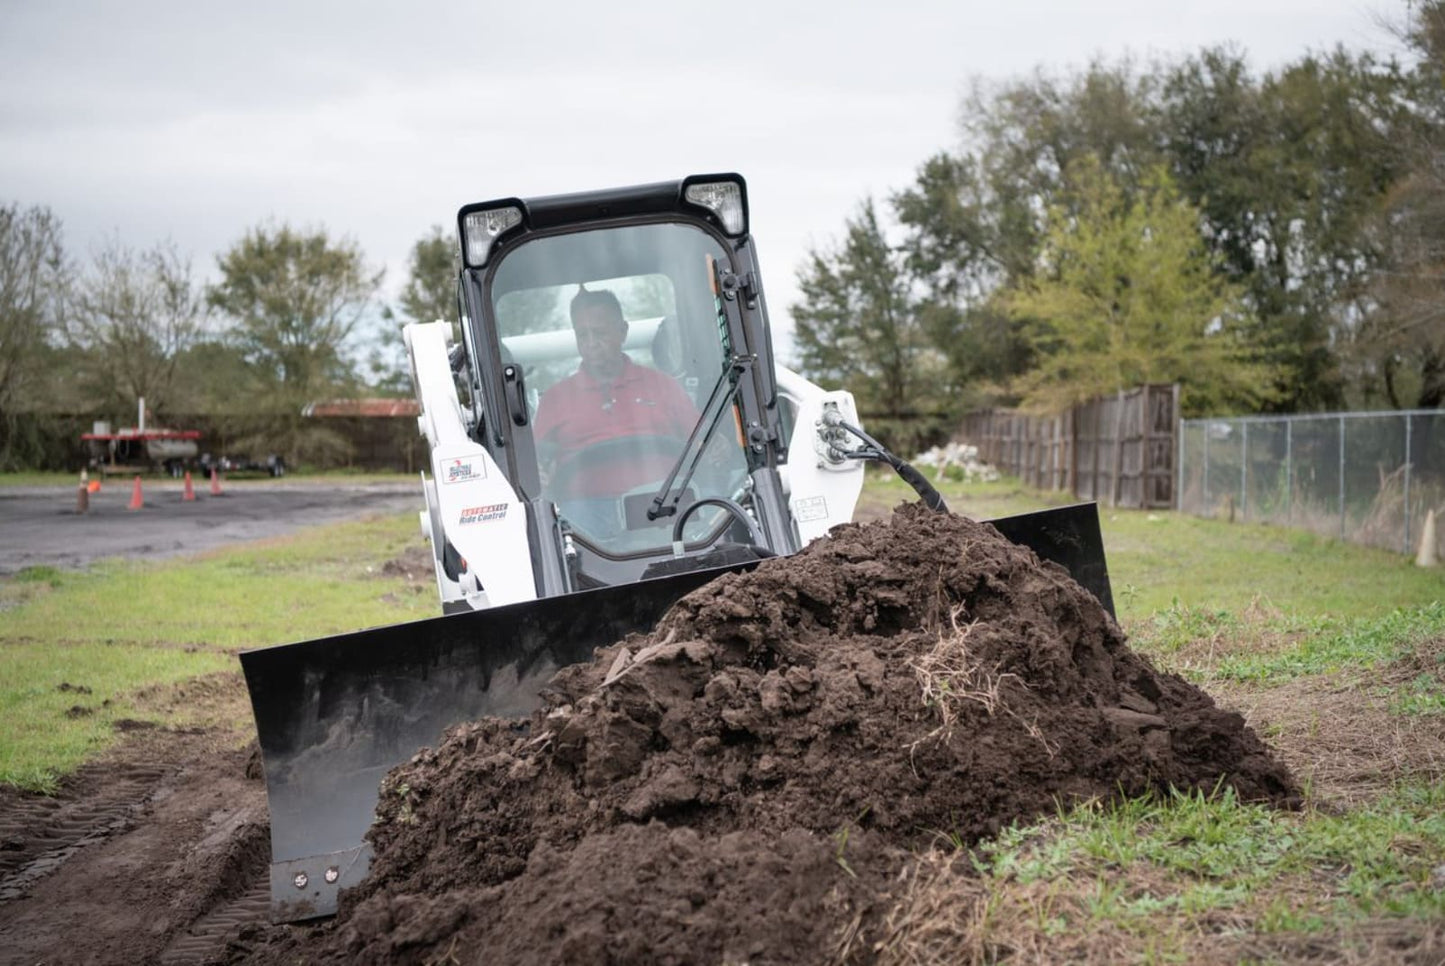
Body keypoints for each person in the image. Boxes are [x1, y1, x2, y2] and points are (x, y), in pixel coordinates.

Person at [533, 288, 698, 531]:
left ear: (623, 331)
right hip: (585, 520)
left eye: (599, 333)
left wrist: (717, 449)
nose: (591, 343)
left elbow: (702, 444)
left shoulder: (663, 386)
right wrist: (540, 474)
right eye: (582, 335)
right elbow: (535, 468)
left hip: (664, 507)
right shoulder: (554, 400)